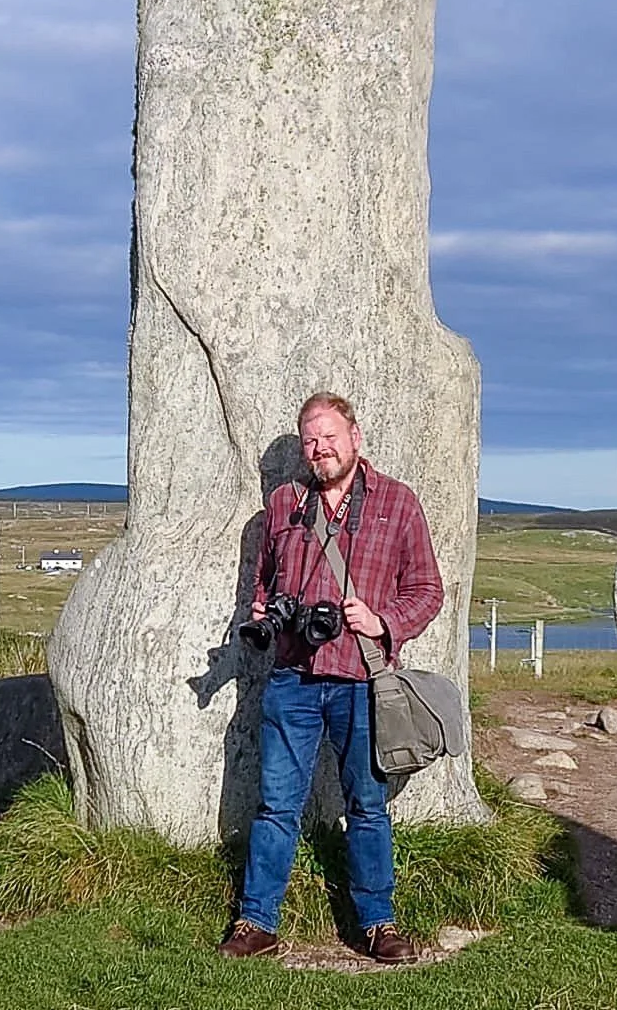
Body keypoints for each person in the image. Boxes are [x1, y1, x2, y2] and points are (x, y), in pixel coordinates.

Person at [218, 392, 443, 964]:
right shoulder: (284, 504)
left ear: (354, 437)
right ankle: (256, 922)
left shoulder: (397, 503)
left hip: (361, 678)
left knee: (367, 806)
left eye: (329, 438)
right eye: (310, 441)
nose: (320, 450)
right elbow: (266, 580)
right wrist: (266, 612)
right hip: (292, 677)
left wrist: (382, 620)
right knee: (275, 807)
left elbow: (428, 591)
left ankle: (377, 924)